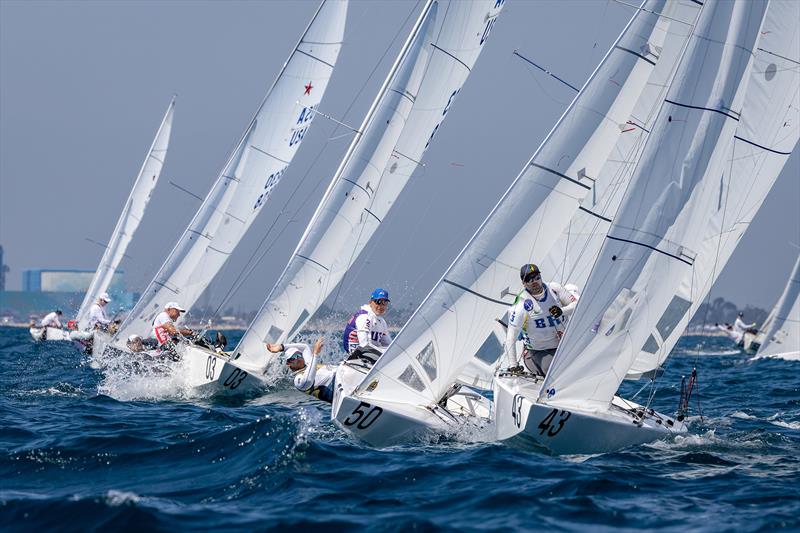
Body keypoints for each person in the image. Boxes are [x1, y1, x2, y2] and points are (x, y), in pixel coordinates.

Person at [502, 264, 579, 376]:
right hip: (538, 352)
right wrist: (513, 365)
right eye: (529, 279)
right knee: (558, 372)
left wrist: (562, 311)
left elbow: (578, 305)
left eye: (537, 277)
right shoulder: (521, 304)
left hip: (566, 344)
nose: (534, 282)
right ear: (524, 283)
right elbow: (511, 336)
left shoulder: (554, 289)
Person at [266, 338, 337, 403]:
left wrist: (281, 347)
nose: (299, 358)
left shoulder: (308, 363)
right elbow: (308, 381)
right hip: (337, 391)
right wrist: (315, 354)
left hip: (342, 372)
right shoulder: (298, 380)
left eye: (299, 355)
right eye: (294, 357)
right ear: (288, 363)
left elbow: (304, 347)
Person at [342, 288, 392, 360]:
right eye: (378, 302)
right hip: (356, 359)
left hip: (369, 357)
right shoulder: (364, 317)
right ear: (370, 302)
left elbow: (389, 345)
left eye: (385, 303)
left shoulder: (381, 321)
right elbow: (364, 345)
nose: (381, 306)